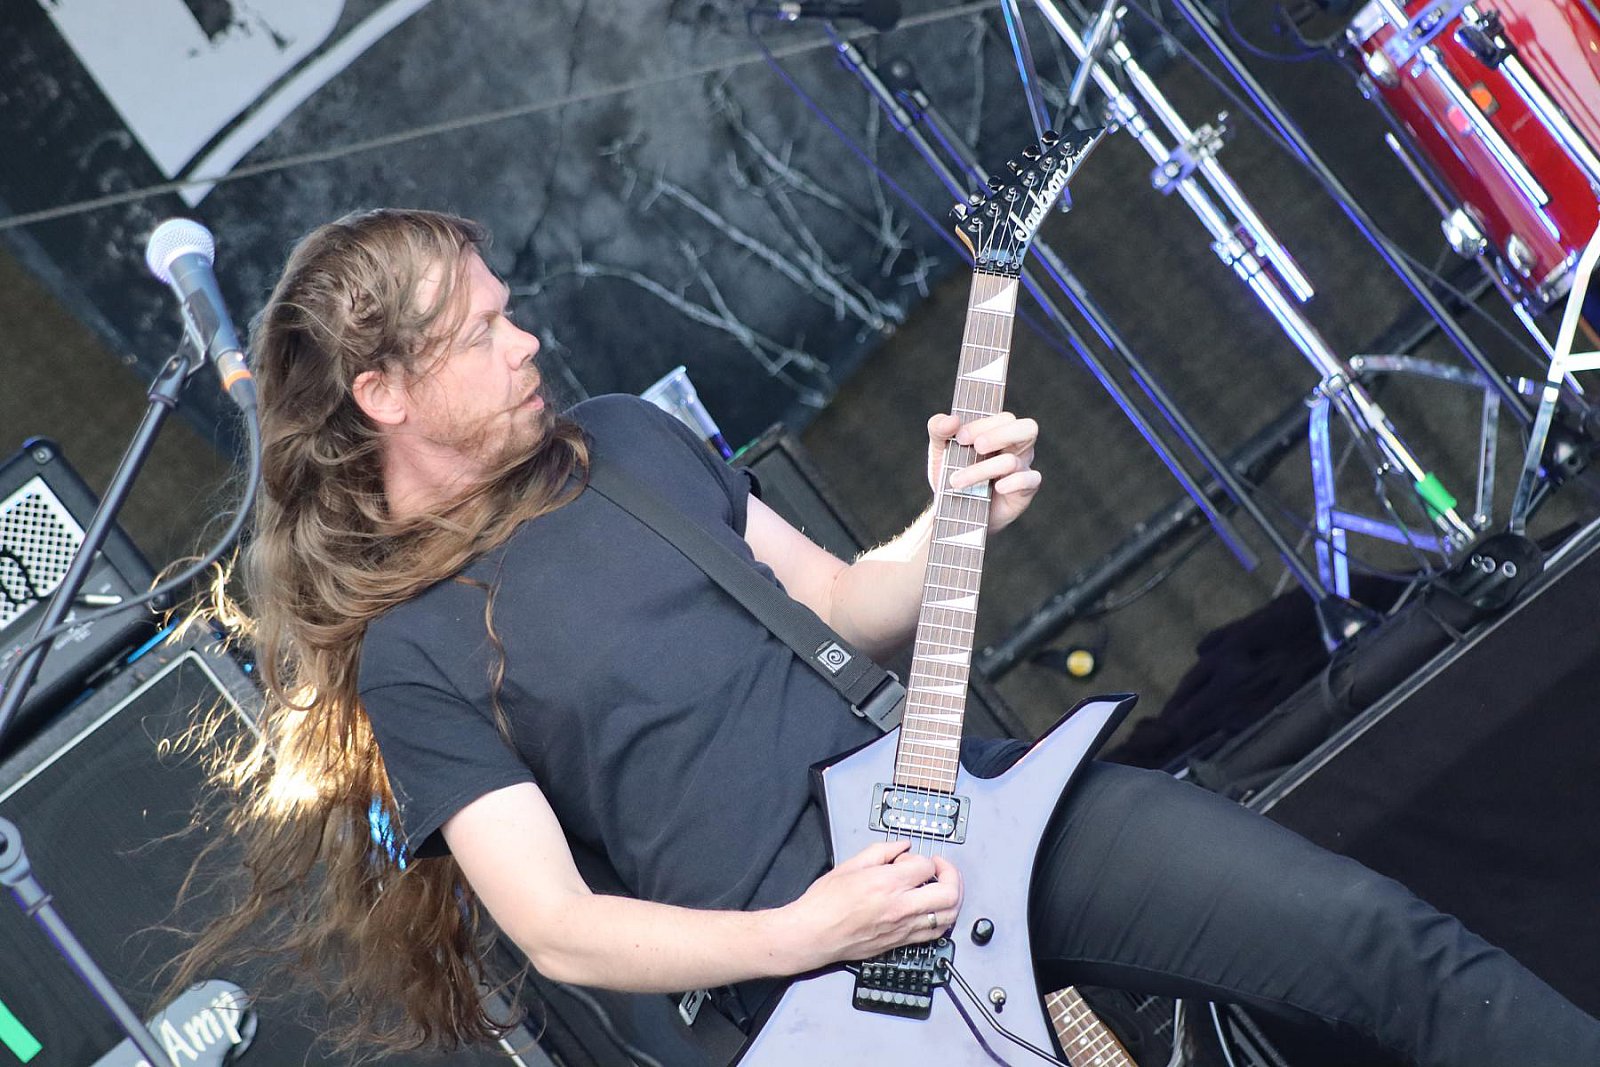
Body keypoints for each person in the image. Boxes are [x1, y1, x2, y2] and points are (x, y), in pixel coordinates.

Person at [179, 207, 1600, 1065]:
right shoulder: (414, 651)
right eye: (483, 334)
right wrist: (803, 930)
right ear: (382, 394)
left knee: (1378, 941)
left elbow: (845, 608)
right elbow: (560, 931)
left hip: (969, 817)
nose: (527, 342)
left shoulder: (621, 441)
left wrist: (950, 520)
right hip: (820, 984)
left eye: (512, 314)